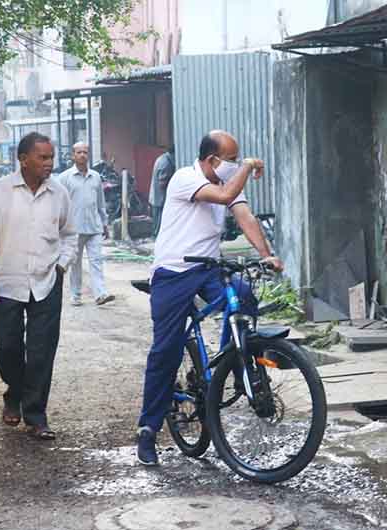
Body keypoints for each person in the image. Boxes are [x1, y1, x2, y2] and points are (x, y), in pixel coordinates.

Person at [136, 130, 283, 466]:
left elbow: (244, 215)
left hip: (207, 269)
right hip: (173, 273)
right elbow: (228, 192)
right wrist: (246, 167)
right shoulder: (184, 178)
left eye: (237, 158)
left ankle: (231, 362)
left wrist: (266, 254)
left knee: (243, 295)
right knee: (166, 350)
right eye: (230, 159)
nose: (234, 164)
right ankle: (147, 429)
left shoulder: (224, 184)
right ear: (211, 160)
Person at [0, 132, 76, 440]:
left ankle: (35, 415)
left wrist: (61, 265)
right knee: (7, 347)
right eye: (42, 157)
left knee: (42, 352)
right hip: (7, 282)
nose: (49, 163)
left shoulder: (59, 193)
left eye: (51, 157)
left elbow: (70, 233)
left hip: (47, 281)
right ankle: (14, 391)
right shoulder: (0, 192)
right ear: (23, 160)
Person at [59, 142, 115, 306]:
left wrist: (104, 223)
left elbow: (100, 203)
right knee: (75, 263)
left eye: (85, 152)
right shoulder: (65, 178)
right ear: (73, 155)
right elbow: (59, 203)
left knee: (96, 261)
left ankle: (100, 294)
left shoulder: (95, 177)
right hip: (73, 229)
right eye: (79, 152)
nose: (82, 155)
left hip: (94, 227)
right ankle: (76, 295)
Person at [149, 146, 176, 238]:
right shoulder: (166, 163)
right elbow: (162, 183)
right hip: (160, 198)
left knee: (157, 221)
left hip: (156, 197)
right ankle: (157, 239)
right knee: (159, 224)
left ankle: (156, 237)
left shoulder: (162, 159)